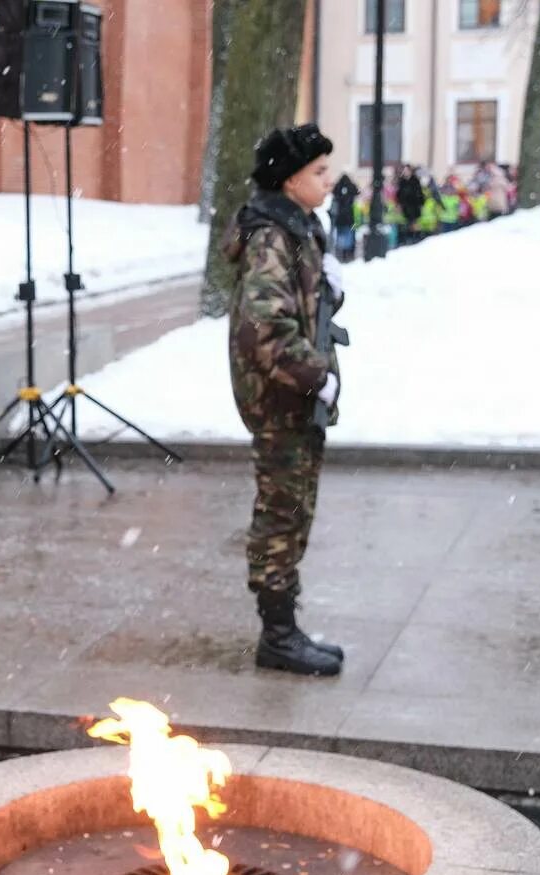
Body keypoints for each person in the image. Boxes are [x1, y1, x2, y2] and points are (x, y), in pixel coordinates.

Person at [223, 123, 346, 677]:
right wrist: (314, 377)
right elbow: (266, 328)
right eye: (319, 172)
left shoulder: (296, 227)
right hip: (281, 398)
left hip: (289, 397)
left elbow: (293, 306)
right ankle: (277, 635)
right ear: (290, 178)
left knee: (293, 508)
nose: (329, 180)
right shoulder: (274, 236)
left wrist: (327, 289)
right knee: (282, 513)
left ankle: (285, 627)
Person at [329, 173, 358, 263]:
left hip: (340, 220)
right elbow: (356, 191)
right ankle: (348, 254)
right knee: (350, 236)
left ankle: (341, 254)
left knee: (340, 237)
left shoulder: (338, 192)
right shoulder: (350, 191)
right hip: (350, 220)